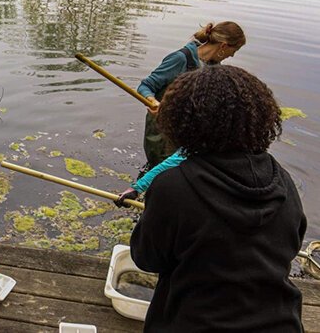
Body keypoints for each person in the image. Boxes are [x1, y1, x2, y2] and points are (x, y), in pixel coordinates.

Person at [130, 65, 306, 332]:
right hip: (280, 323)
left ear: (182, 121)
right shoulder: (282, 179)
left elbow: (146, 258)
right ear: (259, 117)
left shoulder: (174, 186)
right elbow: (290, 244)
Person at [138, 21, 246, 169]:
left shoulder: (214, 68)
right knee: (163, 173)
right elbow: (146, 86)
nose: (233, 55)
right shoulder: (181, 58)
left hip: (187, 133)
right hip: (164, 133)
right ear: (223, 46)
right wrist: (155, 103)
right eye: (235, 50)